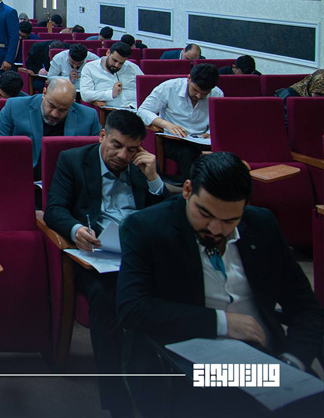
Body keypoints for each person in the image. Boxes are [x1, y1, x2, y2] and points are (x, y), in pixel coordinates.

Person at [117, 152, 323, 417]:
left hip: (269, 356)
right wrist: (222, 322)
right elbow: (131, 308)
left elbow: (306, 308)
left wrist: (292, 362)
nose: (215, 229)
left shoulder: (262, 224)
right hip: (192, 358)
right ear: (188, 190)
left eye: (229, 221)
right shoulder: (147, 228)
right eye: (205, 214)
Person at [44, 110, 167, 417]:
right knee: (106, 297)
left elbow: (167, 217)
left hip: (142, 257)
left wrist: (154, 180)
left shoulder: (143, 167)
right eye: (116, 145)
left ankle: (164, 386)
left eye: (132, 149)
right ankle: (116, 397)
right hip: (98, 259)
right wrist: (75, 229)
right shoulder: (73, 161)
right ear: (102, 136)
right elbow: (54, 209)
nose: (123, 155)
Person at [0, 78, 101, 178]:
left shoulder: (89, 116)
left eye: (62, 110)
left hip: (70, 180)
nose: (55, 114)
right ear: (44, 93)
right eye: (51, 106)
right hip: (23, 176)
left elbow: (99, 155)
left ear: (72, 103)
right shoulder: (14, 107)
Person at [137, 64, 223, 183]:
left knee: (222, 154)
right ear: (189, 78)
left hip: (201, 139)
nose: (199, 96)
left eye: (204, 93)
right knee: (188, 153)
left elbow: (219, 120)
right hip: (173, 138)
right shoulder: (169, 87)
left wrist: (210, 132)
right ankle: (195, 188)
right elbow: (142, 111)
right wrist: (166, 124)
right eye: (195, 90)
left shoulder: (217, 93)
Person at [80, 42, 143, 108]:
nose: (116, 65)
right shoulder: (90, 68)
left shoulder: (133, 68)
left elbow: (145, 88)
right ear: (108, 52)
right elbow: (85, 95)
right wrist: (111, 93)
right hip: (112, 110)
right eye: (114, 60)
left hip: (137, 108)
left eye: (121, 63)